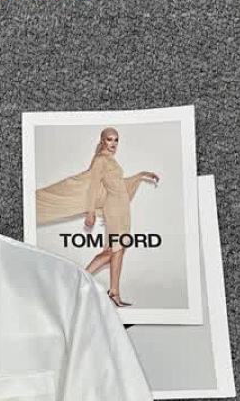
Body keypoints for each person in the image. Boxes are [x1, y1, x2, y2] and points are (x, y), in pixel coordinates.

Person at [36, 127, 159, 307]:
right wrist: (90, 211)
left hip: (123, 208)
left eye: (116, 140)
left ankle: (109, 291)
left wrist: (140, 175)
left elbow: (118, 184)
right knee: (115, 250)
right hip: (114, 208)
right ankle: (84, 285)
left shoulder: (111, 160)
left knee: (115, 251)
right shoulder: (100, 160)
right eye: (109, 139)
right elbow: (93, 187)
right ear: (102, 141)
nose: (113, 143)